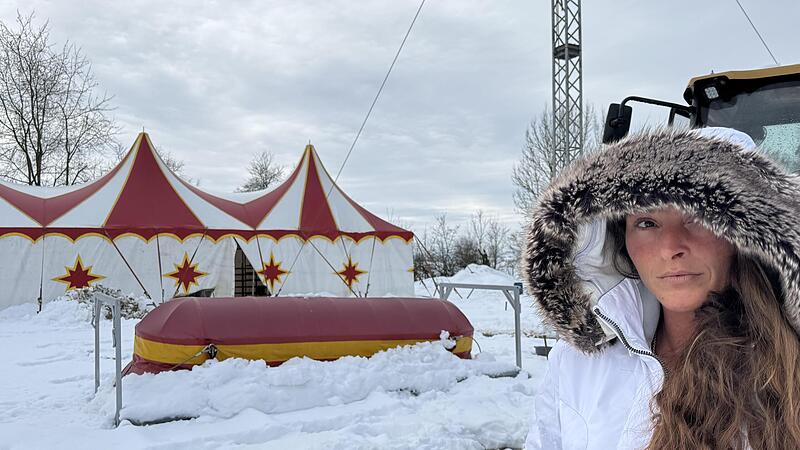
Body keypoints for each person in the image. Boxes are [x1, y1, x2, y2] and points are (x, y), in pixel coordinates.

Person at [521, 127, 800, 449]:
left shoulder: (786, 366)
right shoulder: (577, 362)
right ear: (620, 242)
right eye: (646, 223)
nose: (670, 248)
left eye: (698, 218)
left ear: (746, 235)